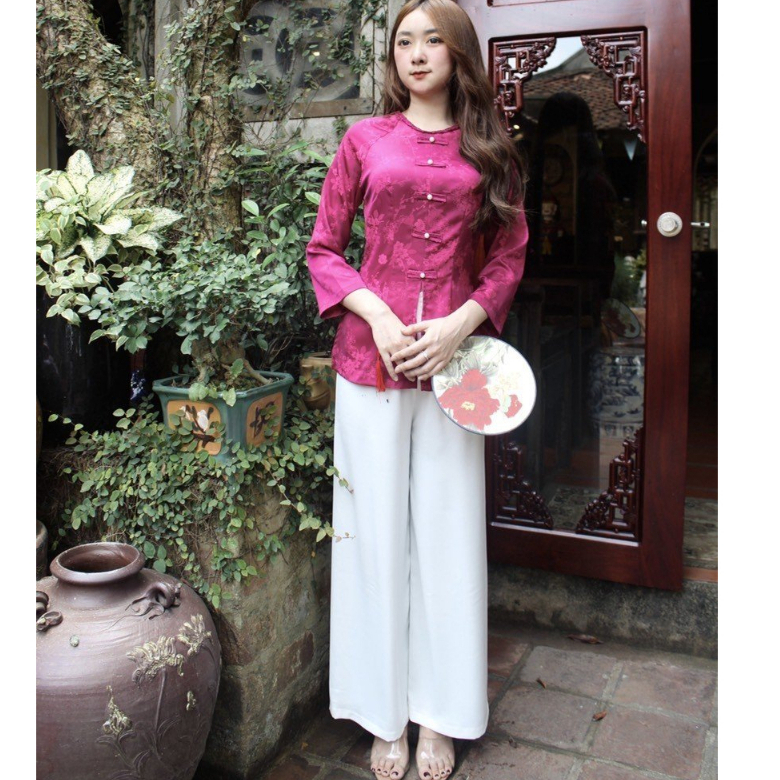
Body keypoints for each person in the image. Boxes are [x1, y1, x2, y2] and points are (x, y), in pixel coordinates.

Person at [305, 2, 529, 778]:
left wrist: (460, 325)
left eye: (434, 39)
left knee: (447, 534)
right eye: (404, 41)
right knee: (371, 537)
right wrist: (376, 314)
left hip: (456, 372)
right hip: (368, 364)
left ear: (459, 52)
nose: (417, 52)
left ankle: (440, 712)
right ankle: (382, 714)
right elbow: (325, 249)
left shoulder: (490, 149)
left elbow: (507, 258)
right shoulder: (364, 140)